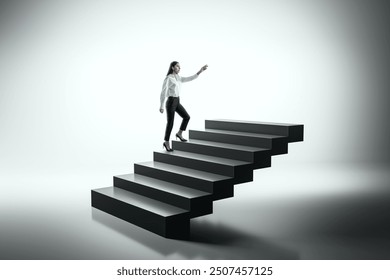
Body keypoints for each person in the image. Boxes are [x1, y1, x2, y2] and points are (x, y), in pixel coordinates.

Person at [160, 61, 208, 152]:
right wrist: (161, 106)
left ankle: (179, 133)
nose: (179, 68)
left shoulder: (178, 78)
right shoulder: (168, 78)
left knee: (186, 117)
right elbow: (163, 92)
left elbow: (190, 78)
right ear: (173, 67)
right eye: (178, 66)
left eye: (179, 67)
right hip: (170, 101)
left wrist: (200, 71)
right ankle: (166, 142)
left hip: (177, 101)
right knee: (170, 123)